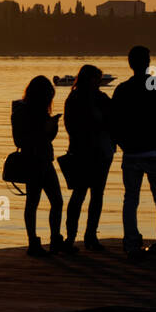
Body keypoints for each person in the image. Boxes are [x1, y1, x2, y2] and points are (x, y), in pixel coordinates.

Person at [111, 45, 156, 257]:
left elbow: (113, 121)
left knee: (130, 198)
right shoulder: (153, 84)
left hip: (132, 153)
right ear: (147, 62)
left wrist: (121, 143)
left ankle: (131, 242)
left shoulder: (124, 89)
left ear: (130, 64)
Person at [11, 75, 68, 257]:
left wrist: (51, 128)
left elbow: (45, 138)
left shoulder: (35, 110)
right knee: (34, 202)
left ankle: (52, 240)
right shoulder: (23, 112)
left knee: (55, 201)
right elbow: (20, 139)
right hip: (34, 160)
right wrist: (45, 130)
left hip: (44, 159)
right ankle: (34, 242)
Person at [61, 64, 116, 252]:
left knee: (95, 194)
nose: (98, 82)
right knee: (81, 194)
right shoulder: (77, 99)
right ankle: (73, 236)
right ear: (88, 79)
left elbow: (113, 120)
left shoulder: (96, 98)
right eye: (96, 78)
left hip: (99, 152)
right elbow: (72, 126)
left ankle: (89, 235)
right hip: (84, 152)